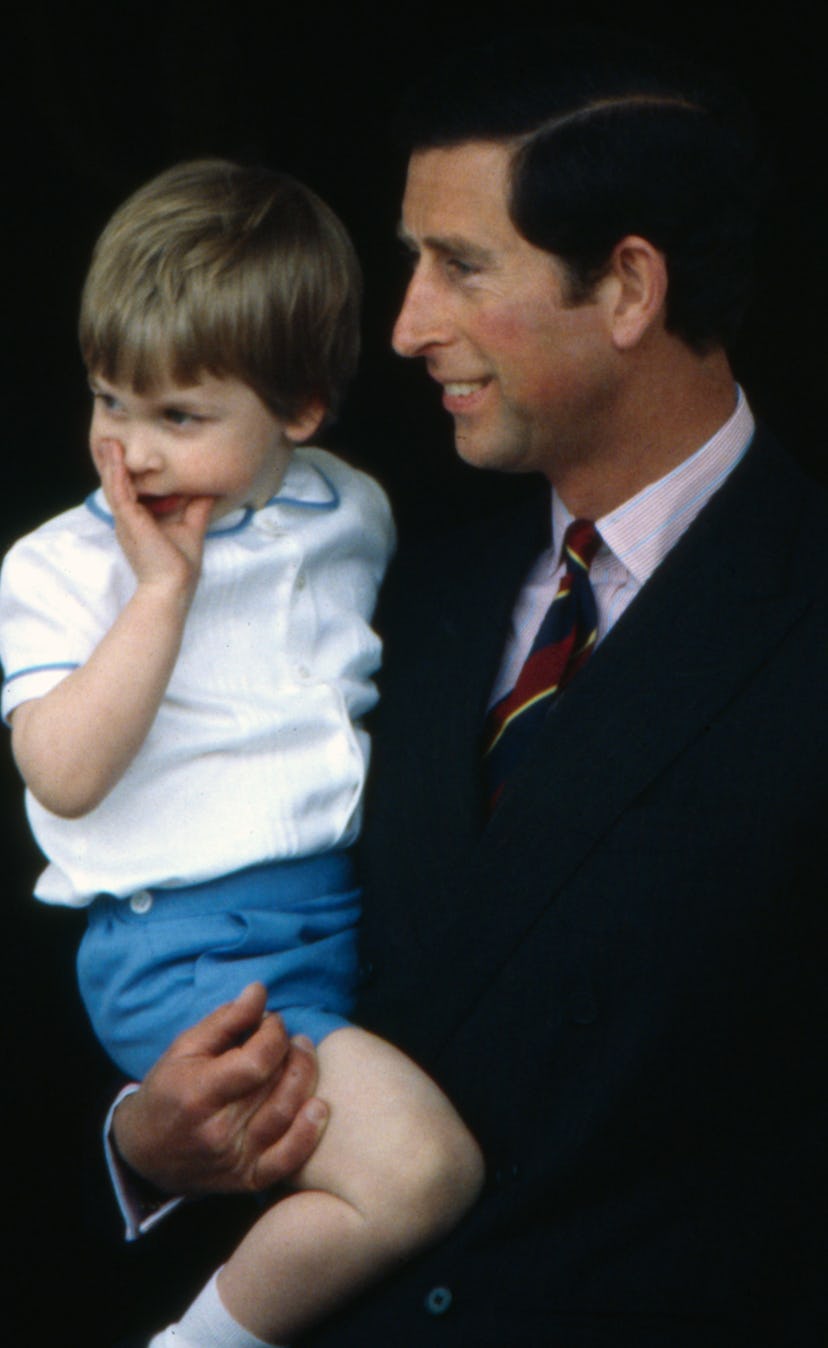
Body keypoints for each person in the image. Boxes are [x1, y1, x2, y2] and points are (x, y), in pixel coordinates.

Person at [109, 30, 826, 1348]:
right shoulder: (379, 581)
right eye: (409, 261)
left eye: (461, 265)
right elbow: (209, 896)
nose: (405, 325)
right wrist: (150, 1139)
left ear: (628, 287)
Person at [0, 159, 483, 1348]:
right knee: (421, 1170)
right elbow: (61, 771)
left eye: (180, 416)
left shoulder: (353, 513)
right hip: (186, 943)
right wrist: (162, 595)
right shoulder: (63, 567)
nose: (135, 453)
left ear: (301, 411)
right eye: (112, 401)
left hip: (331, 924)